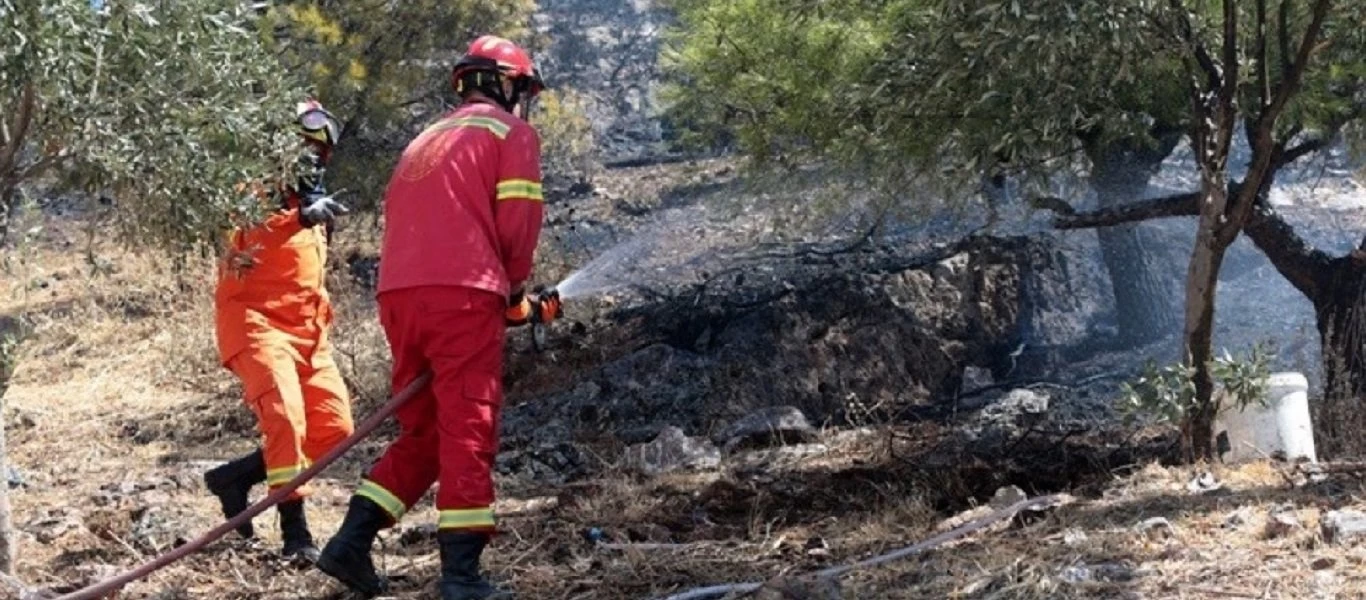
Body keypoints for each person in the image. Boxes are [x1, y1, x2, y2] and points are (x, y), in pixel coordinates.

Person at [316, 35, 556, 600]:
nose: (523, 100)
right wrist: (516, 293)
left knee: (425, 431)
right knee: (469, 427)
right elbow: (517, 224)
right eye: (521, 88)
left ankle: (350, 543)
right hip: (462, 293)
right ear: (505, 82)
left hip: (400, 296)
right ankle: (462, 578)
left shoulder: (424, 138)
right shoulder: (511, 134)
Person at [204, 99, 354, 564]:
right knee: (286, 420)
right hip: (257, 326)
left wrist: (308, 214)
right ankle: (296, 532)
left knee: (334, 430)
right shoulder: (249, 193)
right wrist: (299, 218)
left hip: (309, 335)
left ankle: (236, 477)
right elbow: (245, 240)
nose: (312, 158)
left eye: (318, 150)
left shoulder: (313, 205)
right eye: (302, 148)